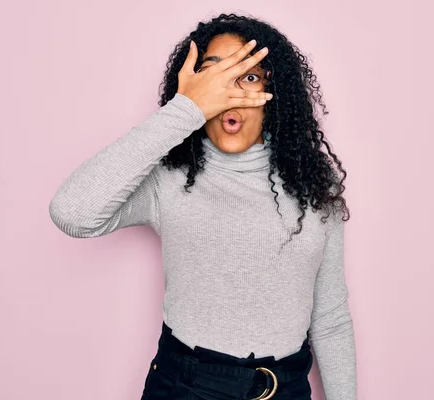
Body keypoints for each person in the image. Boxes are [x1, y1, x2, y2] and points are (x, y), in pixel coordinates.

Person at [49, 12, 357, 400]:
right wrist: (185, 110)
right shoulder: (169, 178)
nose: (230, 94)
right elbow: (73, 212)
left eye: (247, 77)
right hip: (184, 386)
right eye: (214, 78)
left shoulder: (316, 183)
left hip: (286, 388)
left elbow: (329, 319)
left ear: (273, 93)